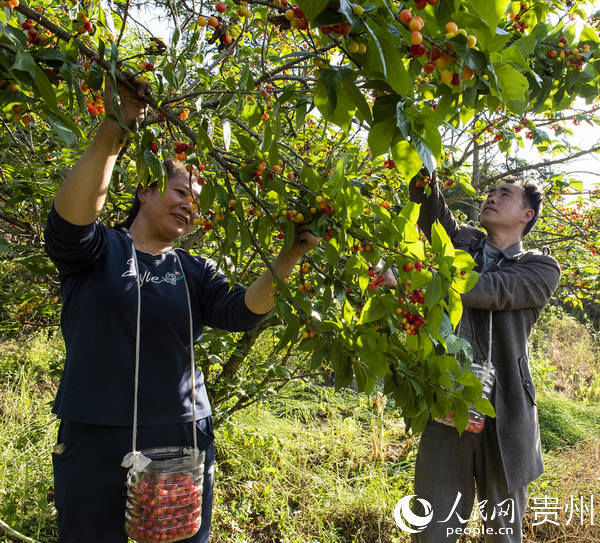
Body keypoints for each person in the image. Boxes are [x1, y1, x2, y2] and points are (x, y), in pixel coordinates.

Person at [44, 76, 319, 543]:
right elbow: (71, 221)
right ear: (145, 192)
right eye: (180, 192)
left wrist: (291, 253)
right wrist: (117, 126)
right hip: (96, 433)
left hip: (181, 437)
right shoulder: (97, 251)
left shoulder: (194, 269)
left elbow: (240, 313)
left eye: (197, 200)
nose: (191, 206)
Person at [405, 170, 560, 542]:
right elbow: (431, 212)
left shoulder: (540, 268)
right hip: (448, 408)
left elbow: (492, 290)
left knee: (503, 534)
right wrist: (422, 164)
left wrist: (419, 279)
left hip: (506, 420)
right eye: (490, 191)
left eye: (504, 194)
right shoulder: (462, 243)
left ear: (527, 215)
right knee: (432, 532)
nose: (490, 197)